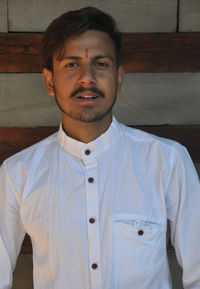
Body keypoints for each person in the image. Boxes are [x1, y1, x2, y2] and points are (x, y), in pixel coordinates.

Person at [0, 6, 200, 289]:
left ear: (118, 78)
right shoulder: (18, 173)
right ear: (49, 81)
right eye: (71, 64)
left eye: (101, 63)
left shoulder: (166, 161)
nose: (87, 78)